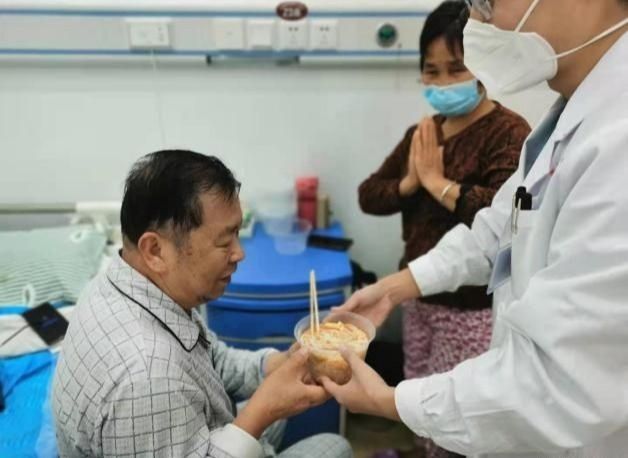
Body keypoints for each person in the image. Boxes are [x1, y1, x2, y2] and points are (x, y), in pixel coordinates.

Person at [322, 0, 628, 456]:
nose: (477, 21)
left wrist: (390, 401)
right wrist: (395, 288)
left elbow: (562, 386)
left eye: (486, 1)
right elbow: (498, 231)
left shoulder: (615, 142)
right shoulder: (570, 116)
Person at [52, 150, 351, 458]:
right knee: (335, 446)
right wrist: (263, 411)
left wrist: (278, 363)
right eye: (224, 241)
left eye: (237, 233)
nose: (239, 253)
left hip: (187, 427)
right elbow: (165, 383)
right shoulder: (149, 380)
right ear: (155, 250)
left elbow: (207, 358)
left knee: (275, 398)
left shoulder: (124, 284)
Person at [358, 3, 529, 456]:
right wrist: (410, 183)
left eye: (456, 69)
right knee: (416, 393)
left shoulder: (509, 133)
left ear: (481, 65)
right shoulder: (424, 133)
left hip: (471, 308)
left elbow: (502, 221)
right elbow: (369, 195)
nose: (443, 82)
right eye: (431, 71)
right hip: (416, 295)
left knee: (455, 414)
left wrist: (439, 185)